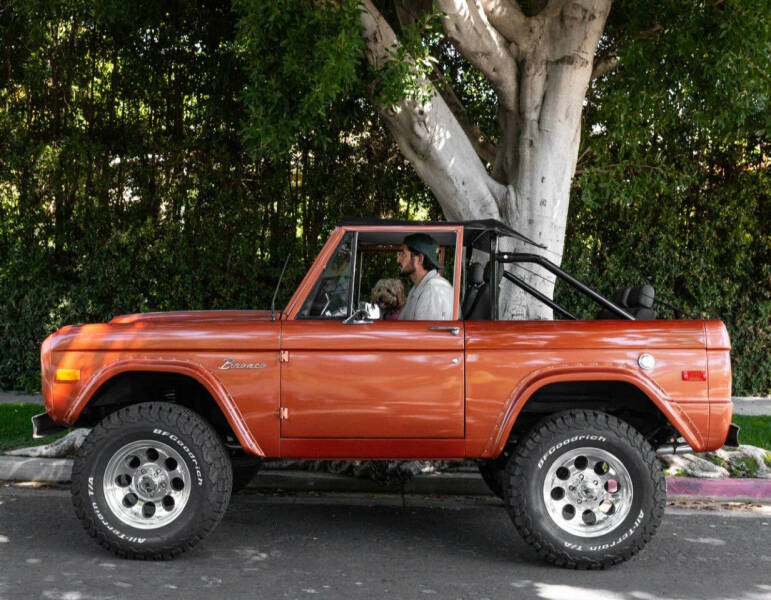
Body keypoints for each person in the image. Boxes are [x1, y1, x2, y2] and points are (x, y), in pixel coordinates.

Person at [396, 233, 453, 320]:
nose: (398, 260)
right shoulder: (419, 287)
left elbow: (423, 333)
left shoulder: (432, 291)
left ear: (419, 259)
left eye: (403, 254)